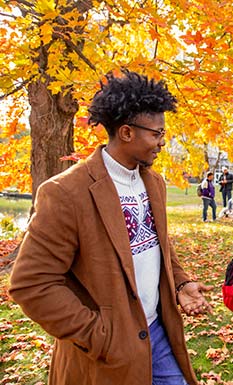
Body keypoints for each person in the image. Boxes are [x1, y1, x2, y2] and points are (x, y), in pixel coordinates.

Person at [9, 70, 213, 385]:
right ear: (127, 132)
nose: (162, 142)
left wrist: (180, 284)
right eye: (157, 133)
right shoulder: (65, 192)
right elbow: (31, 284)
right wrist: (101, 336)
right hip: (107, 349)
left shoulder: (153, 181)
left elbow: (158, 242)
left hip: (158, 331)